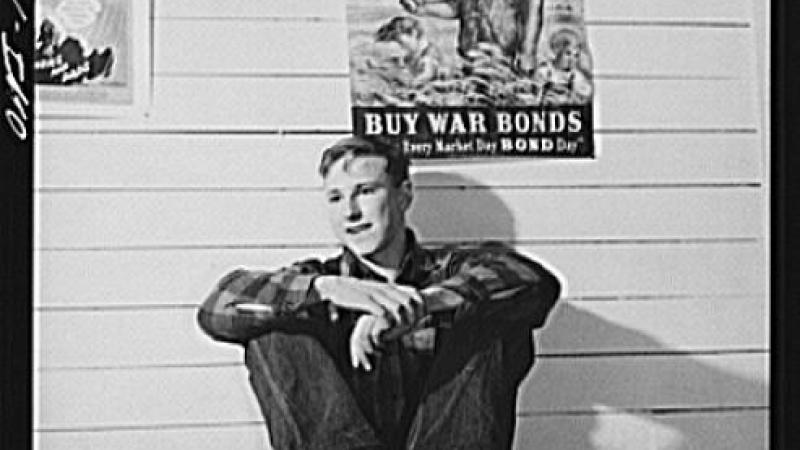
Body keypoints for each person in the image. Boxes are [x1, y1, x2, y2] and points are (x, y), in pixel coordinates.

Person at [197, 136, 561, 449]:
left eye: (365, 192)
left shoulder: (450, 268)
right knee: (275, 320)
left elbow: (534, 281)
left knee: (491, 310)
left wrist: (419, 305)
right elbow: (218, 308)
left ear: (404, 196)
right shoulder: (319, 281)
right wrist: (328, 288)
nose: (350, 212)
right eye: (336, 198)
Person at [375, 16, 443, 87]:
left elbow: (427, 74)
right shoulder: (409, 55)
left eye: (400, 43)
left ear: (414, 33)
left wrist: (410, 83)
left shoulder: (429, 54)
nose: (399, 47)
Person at [532, 28, 592, 105]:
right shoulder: (545, 71)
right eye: (568, 53)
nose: (572, 59)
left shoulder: (575, 75)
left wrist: (574, 95)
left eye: (576, 55)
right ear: (556, 52)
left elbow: (584, 95)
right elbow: (536, 91)